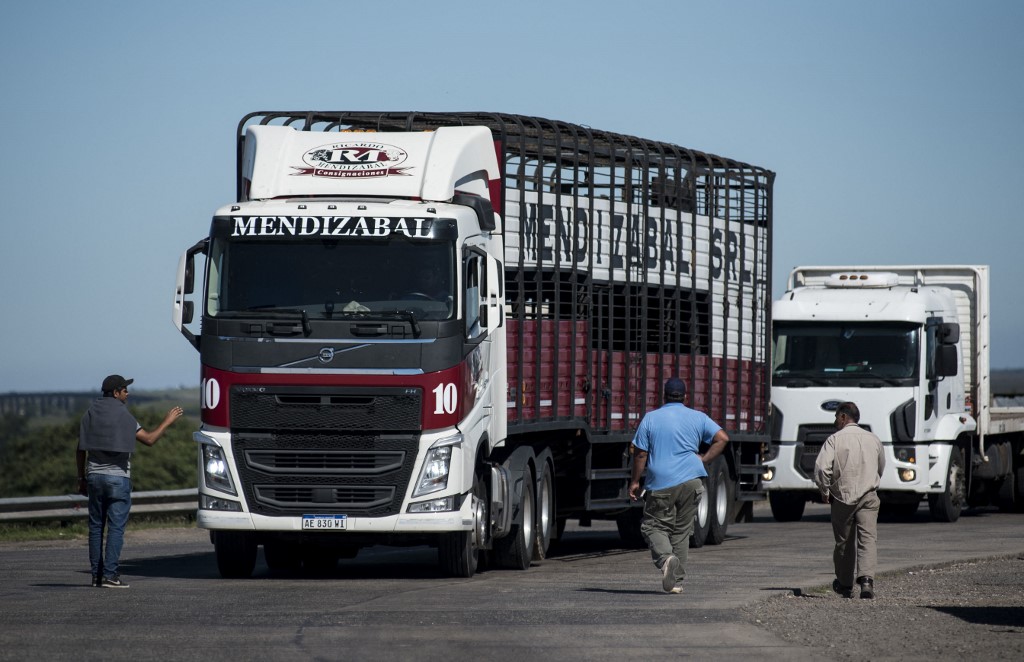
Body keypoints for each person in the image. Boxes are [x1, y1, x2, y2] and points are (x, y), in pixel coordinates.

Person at [76, 375, 184, 588]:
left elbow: (79, 449)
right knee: (116, 528)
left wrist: (81, 478)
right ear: (115, 393)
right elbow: (150, 439)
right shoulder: (125, 417)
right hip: (118, 479)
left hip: (94, 478)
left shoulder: (89, 415)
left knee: (96, 527)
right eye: (124, 390)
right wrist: (167, 421)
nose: (128, 393)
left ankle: (97, 576)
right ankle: (110, 576)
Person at [628, 377, 729, 594]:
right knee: (682, 531)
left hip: (662, 482)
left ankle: (666, 560)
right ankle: (676, 582)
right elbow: (722, 438)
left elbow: (641, 453)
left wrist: (635, 481)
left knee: (653, 526)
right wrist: (703, 459)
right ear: (685, 397)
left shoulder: (651, 418)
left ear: (663, 396)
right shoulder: (697, 417)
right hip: (692, 479)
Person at [813, 401, 885, 599]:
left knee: (844, 542)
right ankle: (867, 581)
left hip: (842, 496)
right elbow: (880, 466)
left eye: (836, 416)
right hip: (869, 495)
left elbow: (821, 469)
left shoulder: (834, 440)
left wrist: (824, 490)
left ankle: (845, 584)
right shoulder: (873, 439)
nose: (835, 420)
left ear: (844, 417)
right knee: (868, 538)